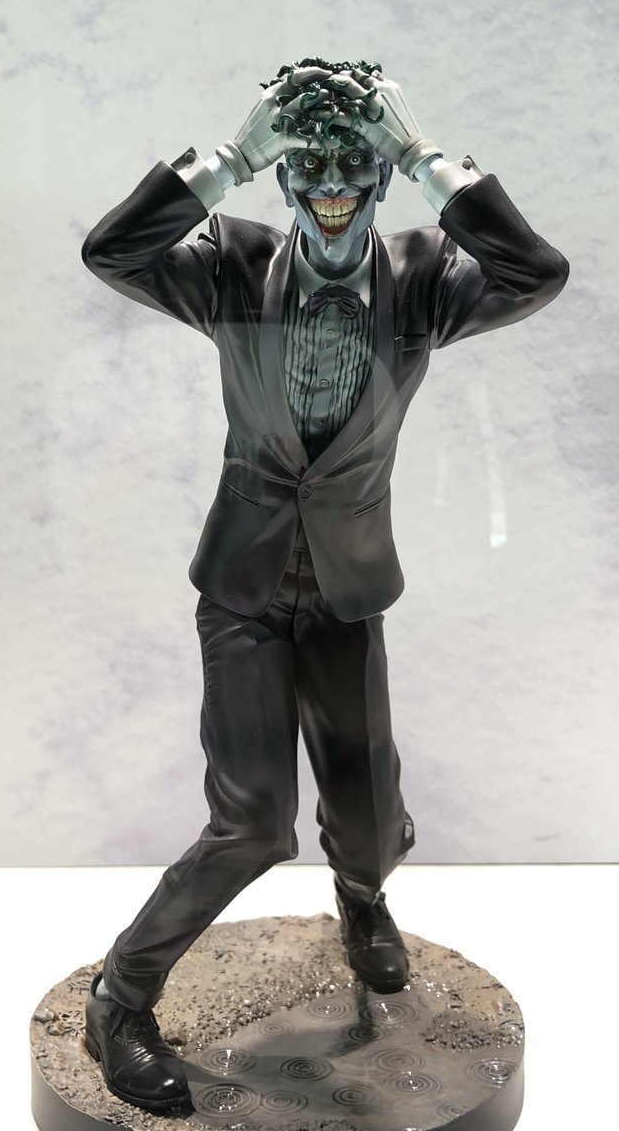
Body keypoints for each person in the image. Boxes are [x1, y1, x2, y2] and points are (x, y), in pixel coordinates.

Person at [79, 59, 568, 1112]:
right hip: (246, 591)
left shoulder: (426, 278)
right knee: (253, 824)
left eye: (355, 164)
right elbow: (112, 251)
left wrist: (424, 155)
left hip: (348, 589)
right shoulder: (232, 264)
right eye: (310, 164)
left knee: (373, 813)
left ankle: (361, 902)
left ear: (380, 178)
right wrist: (232, 156)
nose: (334, 183)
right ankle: (120, 999)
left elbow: (535, 273)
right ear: (285, 178)